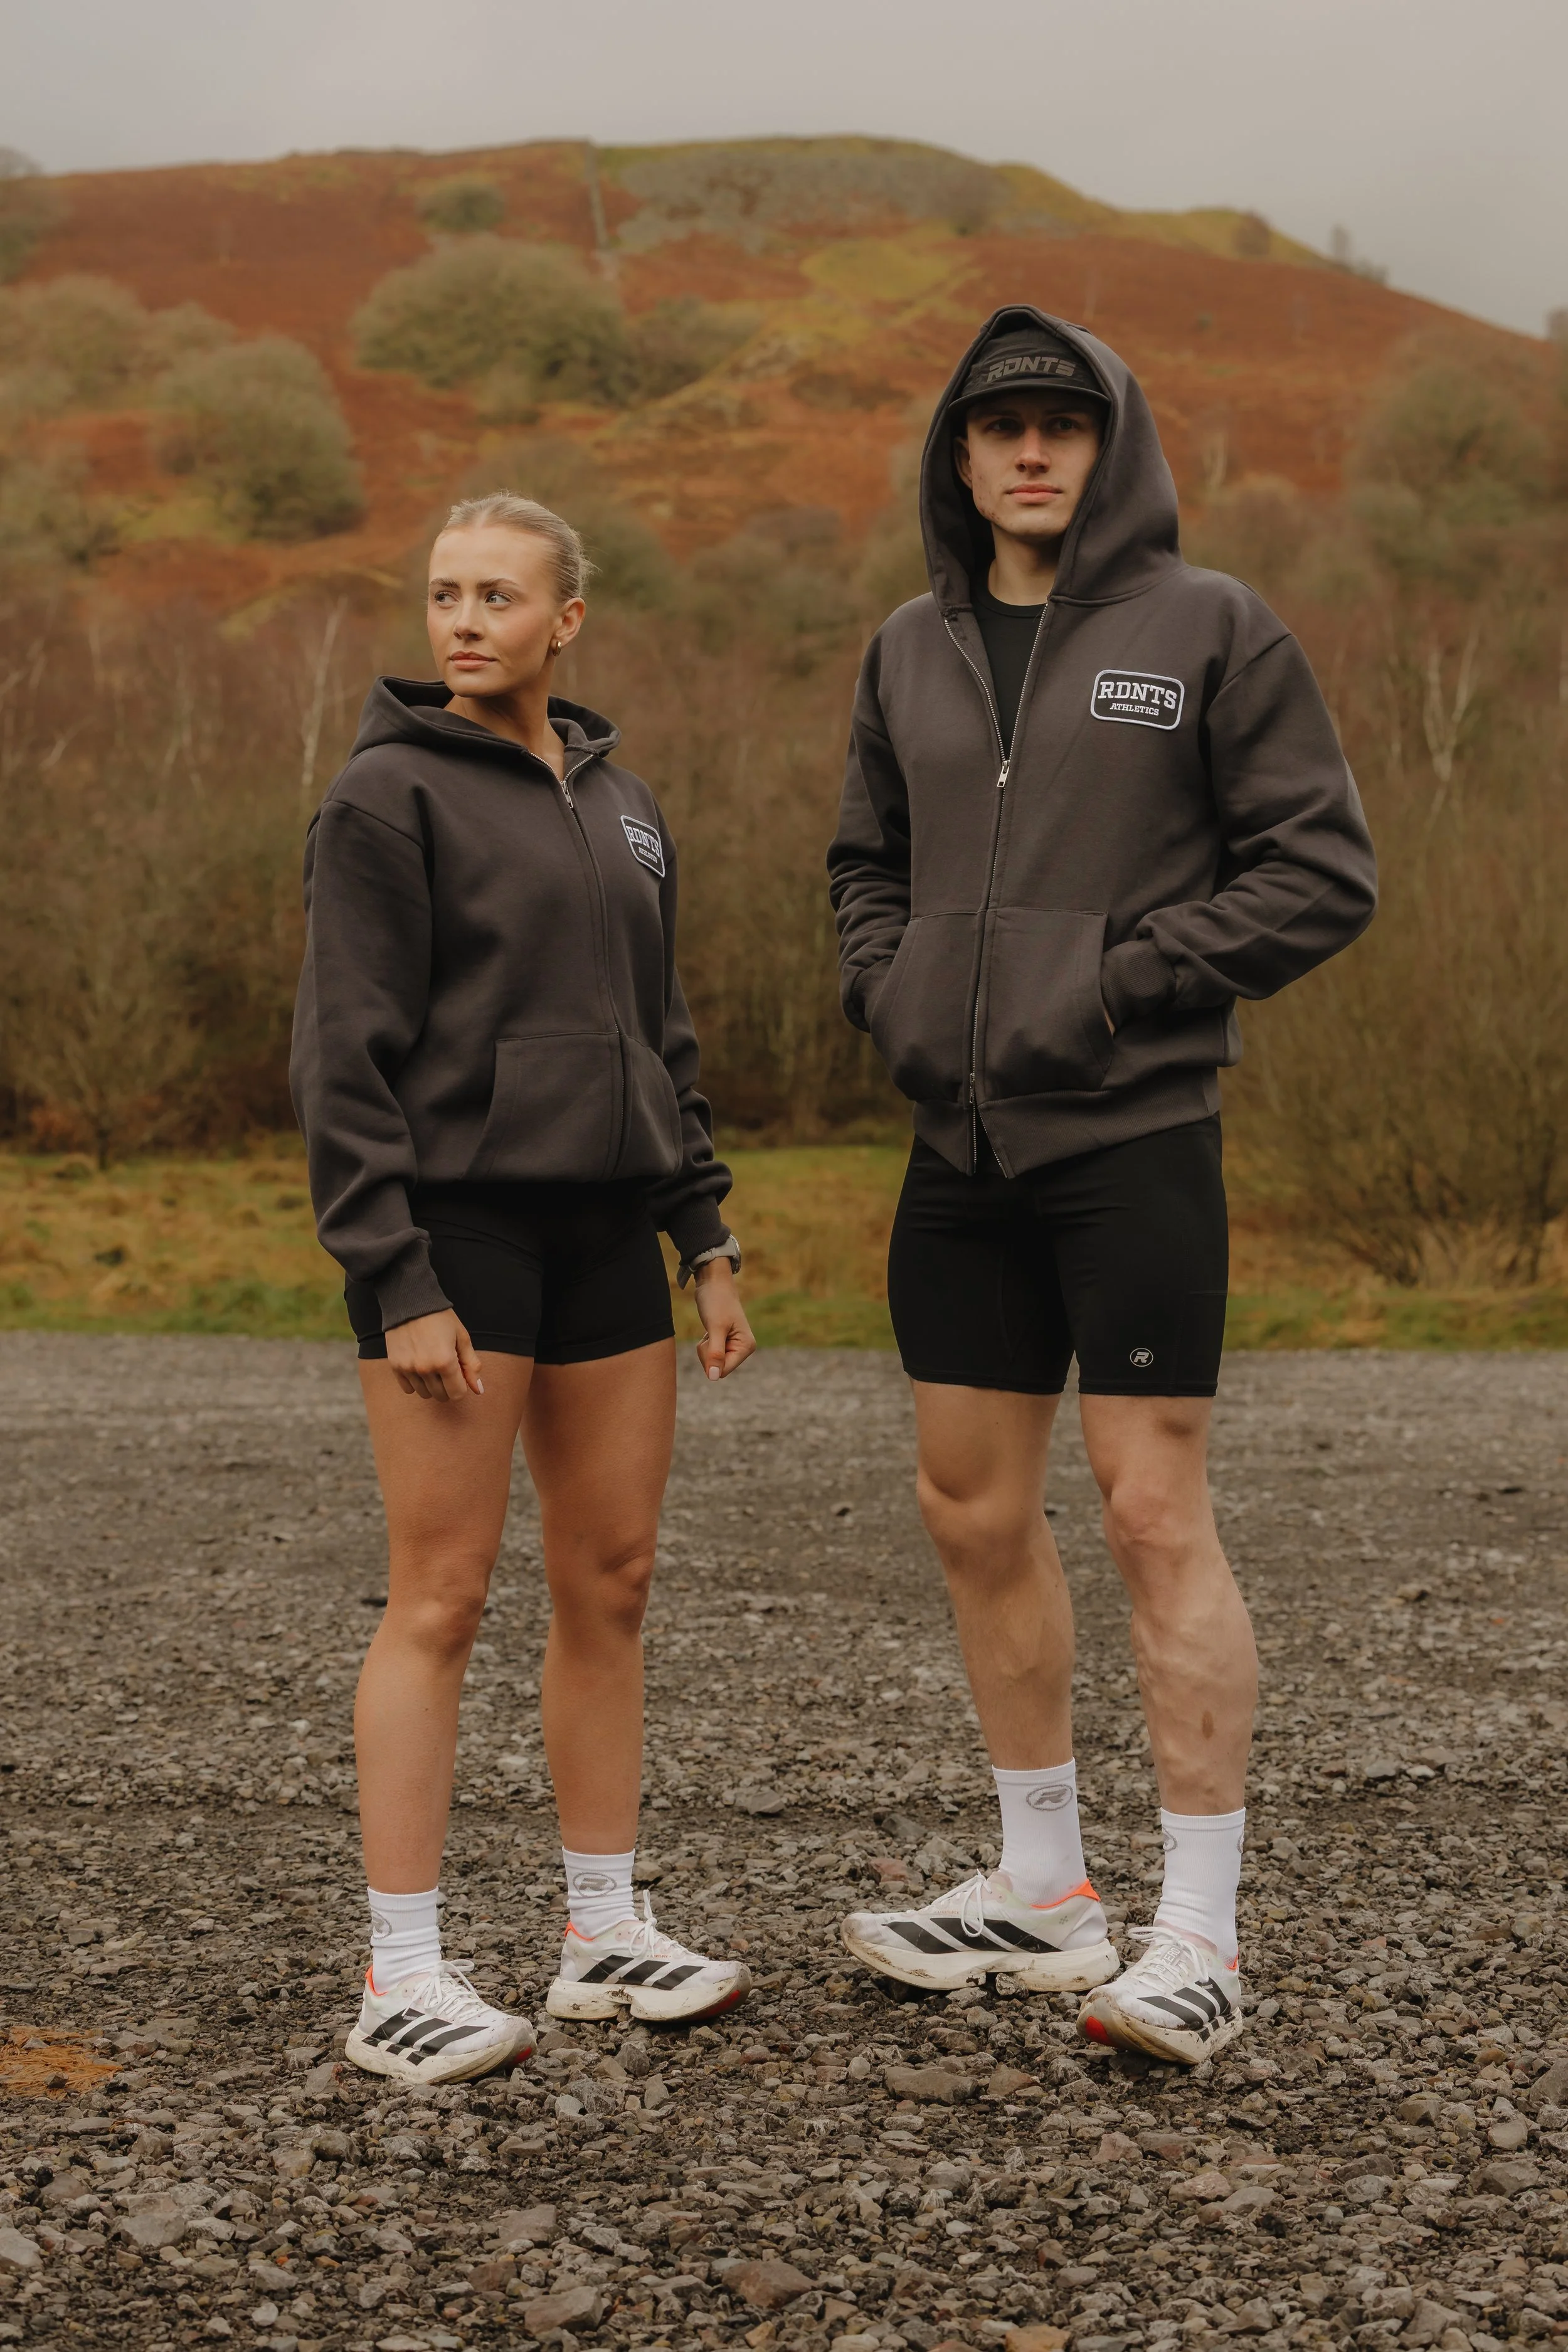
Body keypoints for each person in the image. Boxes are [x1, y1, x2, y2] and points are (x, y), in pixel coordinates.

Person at [827, 310, 1375, 2065]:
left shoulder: (1207, 627)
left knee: (1149, 1514)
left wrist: (1122, 978)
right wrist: (893, 991)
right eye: (999, 429)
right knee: (970, 1510)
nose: (1031, 452)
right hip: (958, 1145)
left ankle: (1198, 1930)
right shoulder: (905, 647)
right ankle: (1045, 1885)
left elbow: (1319, 869)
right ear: (959, 456)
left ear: (1111, 440)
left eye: (1063, 423)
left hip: (1130, 1132)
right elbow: (864, 863)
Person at [290, 492, 757, 2084]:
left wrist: (703, 1235)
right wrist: (395, 1271)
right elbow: (339, 1061)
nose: (463, 617)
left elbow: (659, 1033)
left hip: (606, 1234)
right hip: (458, 1236)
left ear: (567, 620)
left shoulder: (625, 805)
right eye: (441, 593)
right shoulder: (382, 798)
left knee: (610, 1577)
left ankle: (601, 1933)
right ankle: (400, 1976)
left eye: (497, 594)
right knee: (441, 1594)